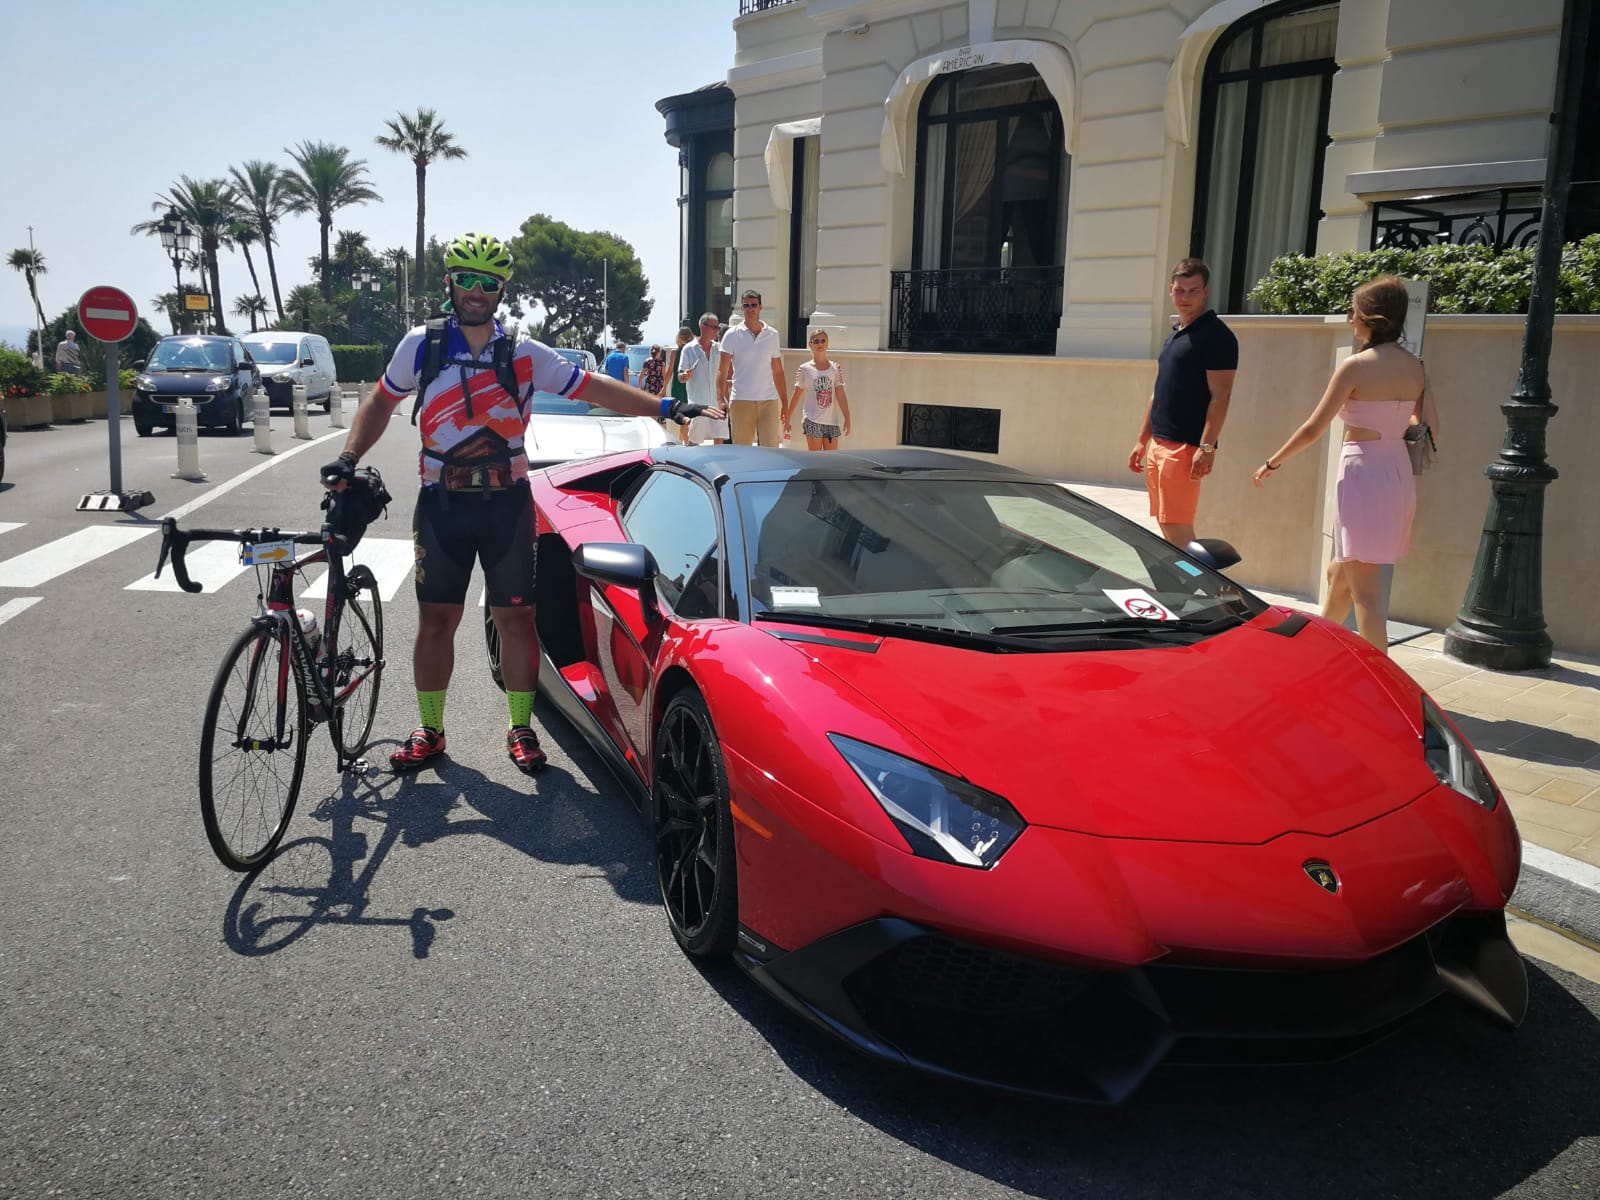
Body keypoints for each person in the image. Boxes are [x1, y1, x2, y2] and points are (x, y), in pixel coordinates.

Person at [321, 232, 718, 775]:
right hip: (442, 505)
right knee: (436, 620)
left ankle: (521, 727)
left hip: (506, 505)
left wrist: (667, 405)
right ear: (450, 283)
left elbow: (593, 388)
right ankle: (431, 730)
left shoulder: (524, 354)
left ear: (501, 290)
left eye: (488, 283)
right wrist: (347, 456)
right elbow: (381, 400)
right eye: (467, 279)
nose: (476, 292)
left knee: (517, 620)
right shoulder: (422, 345)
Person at [1254, 275, 1435, 654]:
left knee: (1365, 594)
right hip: (1396, 472)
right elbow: (1424, 425)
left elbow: (1312, 428)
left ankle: (1383, 686)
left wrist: (1273, 462)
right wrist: (1389, 421)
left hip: (1363, 472)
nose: (1350, 317)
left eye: (1353, 310)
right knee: (1341, 575)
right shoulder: (1416, 367)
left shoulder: (1355, 366)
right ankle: (1305, 654)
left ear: (1369, 316)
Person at [1127, 259, 1238, 549]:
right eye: (1179, 291)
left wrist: (1207, 446)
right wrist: (1142, 440)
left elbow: (1221, 394)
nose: (1185, 298)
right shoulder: (1176, 335)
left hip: (1185, 447)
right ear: (1170, 291)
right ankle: (1192, 586)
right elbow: (1160, 391)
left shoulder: (1216, 337)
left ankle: (1204, 589)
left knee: (1177, 527)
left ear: (1205, 292)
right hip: (1159, 445)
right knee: (1166, 522)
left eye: (1192, 291)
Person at [717, 289, 786, 446]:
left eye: (754, 305)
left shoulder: (772, 335)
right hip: (741, 400)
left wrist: (785, 404)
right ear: (742, 308)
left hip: (768, 401)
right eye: (746, 305)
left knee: (771, 450)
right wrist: (720, 399)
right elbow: (722, 369)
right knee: (743, 451)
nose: (750, 309)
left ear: (760, 307)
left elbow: (778, 371)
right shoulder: (732, 335)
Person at [785, 329, 851, 450]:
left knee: (831, 461)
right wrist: (788, 418)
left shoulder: (835, 368)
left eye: (822, 341)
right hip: (812, 419)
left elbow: (840, 394)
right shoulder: (804, 369)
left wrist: (847, 417)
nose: (819, 344)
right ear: (811, 344)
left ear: (827, 343)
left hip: (831, 422)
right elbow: (797, 394)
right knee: (816, 457)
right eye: (816, 341)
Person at [677, 312, 729, 445]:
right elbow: (680, 377)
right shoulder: (689, 349)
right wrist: (685, 375)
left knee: (719, 438)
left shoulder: (719, 349)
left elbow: (726, 372)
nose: (716, 331)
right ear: (702, 326)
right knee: (694, 440)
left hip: (718, 402)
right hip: (698, 403)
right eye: (714, 327)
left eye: (717, 328)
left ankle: (718, 465)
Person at [665, 327, 693, 444]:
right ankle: (686, 442)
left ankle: (684, 442)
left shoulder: (675, 353)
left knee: (680, 415)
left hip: (677, 386)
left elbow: (670, 370)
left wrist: (663, 388)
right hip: (689, 386)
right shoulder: (692, 351)